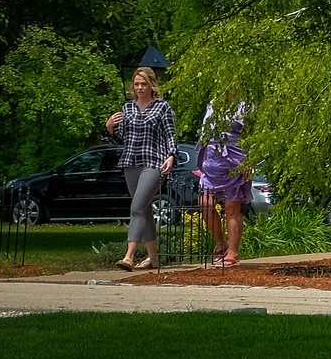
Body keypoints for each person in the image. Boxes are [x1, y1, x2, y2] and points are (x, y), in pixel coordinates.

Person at [105, 65, 178, 271]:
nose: (139, 87)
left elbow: (170, 135)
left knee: (136, 207)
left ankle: (128, 256)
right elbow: (121, 139)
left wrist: (171, 156)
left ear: (151, 85)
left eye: (143, 84)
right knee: (144, 210)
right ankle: (153, 259)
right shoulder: (127, 108)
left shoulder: (162, 107)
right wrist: (110, 128)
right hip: (130, 162)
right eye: (136, 84)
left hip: (154, 163)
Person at [194, 100, 252, 268]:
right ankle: (220, 244)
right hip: (212, 161)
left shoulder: (245, 104)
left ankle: (233, 251)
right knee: (205, 204)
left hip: (235, 161)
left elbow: (253, 134)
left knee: (231, 208)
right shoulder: (212, 103)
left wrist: (250, 159)